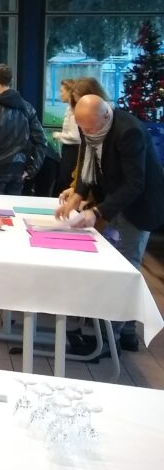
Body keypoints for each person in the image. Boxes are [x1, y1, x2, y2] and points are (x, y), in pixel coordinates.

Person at [55, 94, 164, 352]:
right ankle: (127, 332)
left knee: (125, 269)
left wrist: (98, 211)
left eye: (91, 128)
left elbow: (135, 184)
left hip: (140, 205)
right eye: (83, 128)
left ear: (106, 115)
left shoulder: (129, 132)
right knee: (116, 264)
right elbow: (88, 166)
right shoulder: (89, 125)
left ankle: (108, 340)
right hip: (115, 199)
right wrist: (78, 195)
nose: (87, 133)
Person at [0, 64, 47, 195]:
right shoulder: (27, 108)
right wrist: (32, 169)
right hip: (18, 170)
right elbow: (41, 141)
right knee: (13, 207)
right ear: (10, 81)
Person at [52, 79, 80, 196]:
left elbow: (75, 136)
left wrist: (58, 135)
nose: (60, 94)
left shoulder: (74, 111)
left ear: (69, 92)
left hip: (73, 152)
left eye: (62, 91)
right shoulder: (69, 109)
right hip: (69, 150)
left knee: (65, 181)